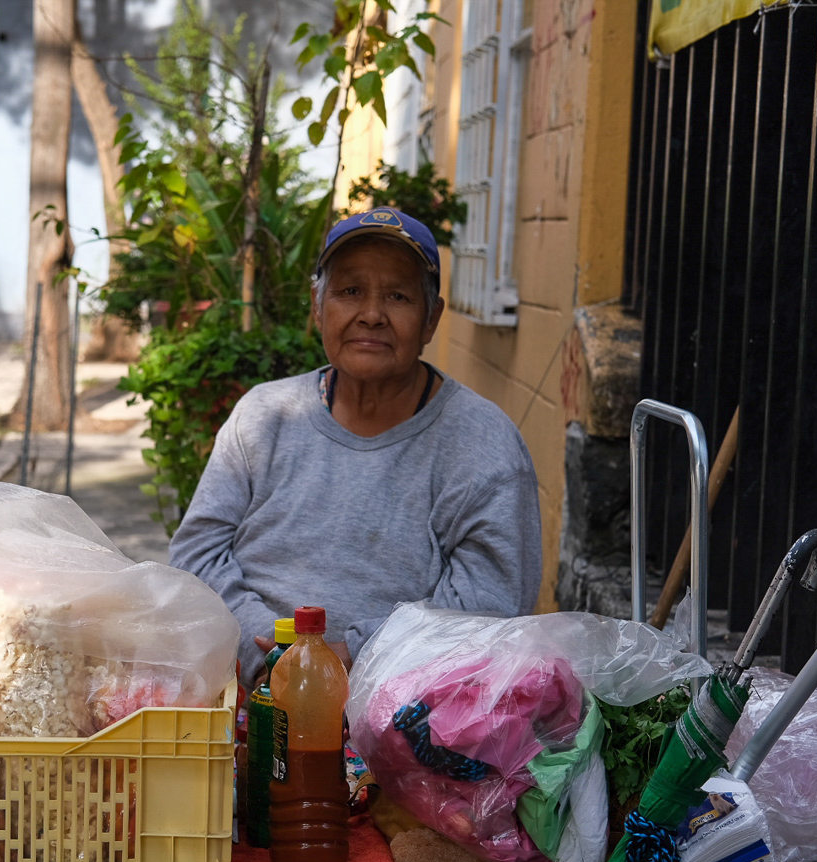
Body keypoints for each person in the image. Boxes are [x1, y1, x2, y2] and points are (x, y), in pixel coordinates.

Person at [168, 207, 541, 688]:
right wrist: (272, 654)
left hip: (405, 710)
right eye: (350, 292)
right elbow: (196, 554)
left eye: (398, 296)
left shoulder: (483, 444)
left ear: (431, 319)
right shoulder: (263, 414)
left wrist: (357, 657)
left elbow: (491, 602)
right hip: (244, 688)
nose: (371, 314)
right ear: (318, 307)